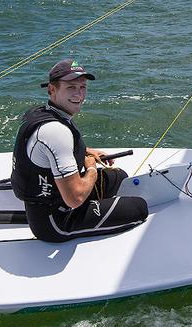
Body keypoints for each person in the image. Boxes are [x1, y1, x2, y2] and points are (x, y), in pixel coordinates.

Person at [11, 59, 148, 242]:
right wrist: (90, 167)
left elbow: (52, 150)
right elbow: (75, 199)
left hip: (55, 197)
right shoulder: (56, 131)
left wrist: (86, 151)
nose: (79, 94)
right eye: (71, 87)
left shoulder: (44, 112)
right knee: (139, 208)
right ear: (52, 89)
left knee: (118, 177)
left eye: (82, 87)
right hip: (55, 221)